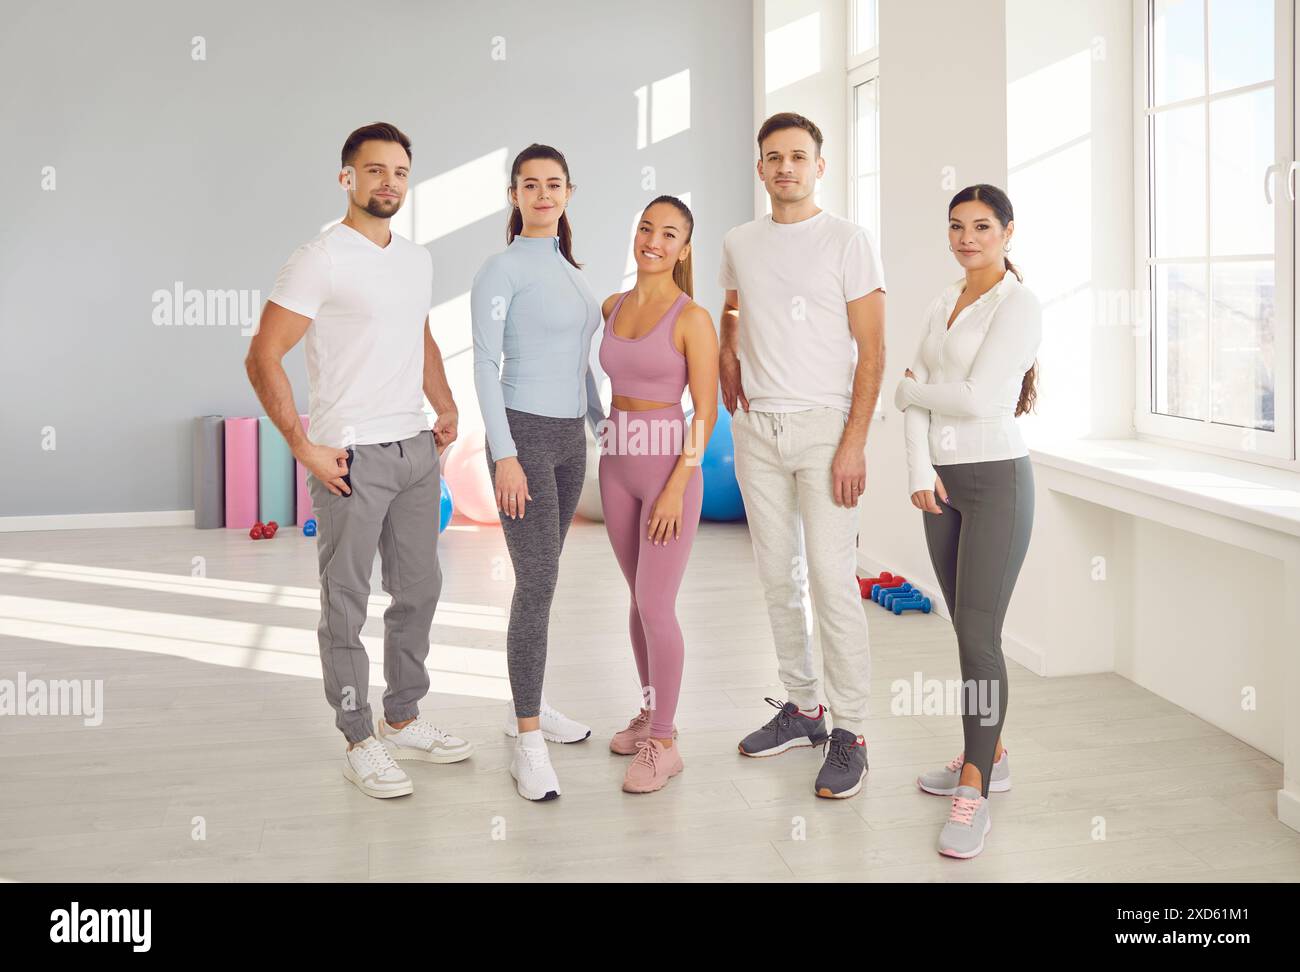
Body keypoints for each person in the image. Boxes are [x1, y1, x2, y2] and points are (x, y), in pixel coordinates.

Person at [246, 122, 471, 800]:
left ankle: (402, 716)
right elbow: (262, 354)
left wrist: (447, 402)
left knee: (419, 591)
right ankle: (358, 738)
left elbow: (420, 335)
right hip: (348, 455)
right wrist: (301, 445)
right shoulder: (321, 257)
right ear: (347, 178)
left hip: (415, 449)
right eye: (374, 171)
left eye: (399, 172)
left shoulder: (416, 259)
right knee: (346, 601)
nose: (388, 183)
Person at [718, 112, 886, 799]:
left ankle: (851, 731)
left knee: (830, 577)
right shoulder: (738, 241)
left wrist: (854, 441)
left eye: (797, 156)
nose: (785, 167)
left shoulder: (848, 241)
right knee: (776, 578)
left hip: (826, 430)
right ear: (759, 169)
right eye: (773, 157)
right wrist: (730, 362)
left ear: (819, 165)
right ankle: (804, 709)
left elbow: (872, 350)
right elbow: (732, 310)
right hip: (758, 431)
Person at [895, 183, 1041, 858]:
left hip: (998, 485)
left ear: (1007, 232)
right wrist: (919, 474)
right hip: (943, 489)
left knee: (981, 638)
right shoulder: (940, 301)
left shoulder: (1019, 305)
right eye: (956, 226)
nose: (967, 238)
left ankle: (976, 788)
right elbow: (922, 404)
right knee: (965, 632)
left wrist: (909, 388)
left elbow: (983, 401)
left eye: (982, 226)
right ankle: (993, 751)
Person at [471, 143, 605, 802]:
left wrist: (603, 427)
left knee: (544, 584)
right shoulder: (501, 271)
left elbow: (583, 363)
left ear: (569, 192)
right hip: (523, 435)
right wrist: (503, 454)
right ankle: (527, 743)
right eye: (531, 184)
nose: (543, 194)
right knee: (537, 581)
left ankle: (528, 702)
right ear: (515, 194)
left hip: (570, 442)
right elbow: (482, 366)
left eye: (554, 184)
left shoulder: (573, 272)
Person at [599, 196, 718, 793]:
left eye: (669, 233)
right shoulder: (612, 306)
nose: (653, 240)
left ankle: (664, 742)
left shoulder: (692, 317)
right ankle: (649, 711)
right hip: (616, 463)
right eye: (646, 227)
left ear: (684, 248)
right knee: (637, 601)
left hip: (669, 467)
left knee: (657, 603)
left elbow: (707, 411)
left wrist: (676, 486)